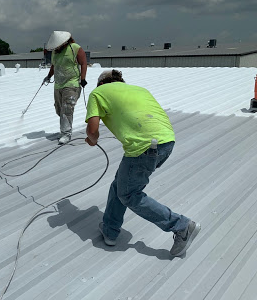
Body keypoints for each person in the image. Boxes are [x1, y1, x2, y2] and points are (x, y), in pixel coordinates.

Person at [84, 69, 201, 257]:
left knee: (129, 194)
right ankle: (110, 229)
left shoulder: (98, 93)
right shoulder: (139, 89)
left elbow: (93, 129)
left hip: (143, 147)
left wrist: (91, 140)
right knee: (120, 184)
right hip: (166, 142)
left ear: (101, 84)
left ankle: (181, 226)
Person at [44, 31, 88, 145]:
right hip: (58, 84)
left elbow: (83, 63)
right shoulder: (55, 52)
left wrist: (82, 79)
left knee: (67, 108)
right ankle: (65, 127)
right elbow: (54, 65)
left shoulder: (75, 48)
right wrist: (49, 76)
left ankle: (66, 134)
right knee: (59, 109)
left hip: (72, 83)